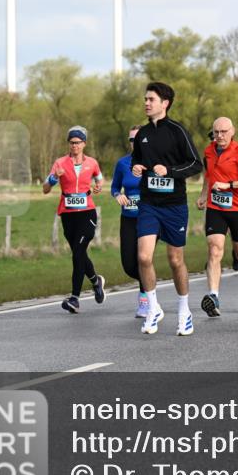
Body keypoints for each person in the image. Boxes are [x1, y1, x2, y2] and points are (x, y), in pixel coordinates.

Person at [132, 82, 204, 336]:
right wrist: (137, 168)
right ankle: (153, 308)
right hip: (149, 203)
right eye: (145, 99)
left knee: (175, 260)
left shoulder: (177, 131)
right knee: (143, 257)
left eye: (151, 99)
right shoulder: (141, 134)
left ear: (165, 103)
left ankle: (184, 311)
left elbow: (196, 163)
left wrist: (170, 171)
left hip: (174, 206)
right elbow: (136, 160)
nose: (146, 103)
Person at [44, 125, 106, 314]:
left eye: (78, 142)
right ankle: (96, 281)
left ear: (84, 144)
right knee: (79, 254)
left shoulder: (92, 163)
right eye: (71, 143)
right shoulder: (60, 163)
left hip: (87, 213)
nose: (75, 146)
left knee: (78, 252)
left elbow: (100, 179)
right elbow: (45, 188)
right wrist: (55, 178)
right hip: (68, 215)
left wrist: (98, 187)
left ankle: (75, 298)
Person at [197, 116, 238, 318]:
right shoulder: (208, 151)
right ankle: (213, 297)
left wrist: (228, 185)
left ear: (232, 131)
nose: (219, 136)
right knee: (214, 249)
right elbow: (209, 175)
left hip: (237, 209)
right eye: (216, 132)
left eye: (223, 132)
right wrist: (204, 195)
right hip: (215, 207)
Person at [110, 125, 146, 318]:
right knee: (128, 264)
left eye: (138, 139)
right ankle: (151, 283)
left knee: (142, 259)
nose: (135, 143)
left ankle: (145, 300)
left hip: (148, 218)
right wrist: (117, 195)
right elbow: (114, 186)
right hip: (128, 217)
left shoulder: (152, 161)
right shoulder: (122, 163)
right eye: (131, 140)